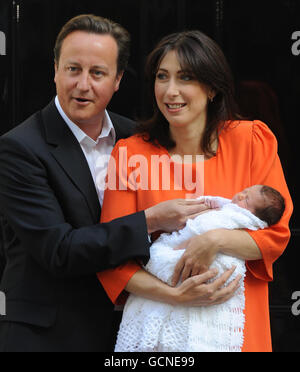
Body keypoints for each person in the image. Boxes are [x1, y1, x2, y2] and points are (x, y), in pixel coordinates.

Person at [0, 15, 223, 352]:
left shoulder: (136, 137)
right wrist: (151, 220)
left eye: (98, 73)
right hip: (49, 336)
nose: (83, 84)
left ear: (118, 79)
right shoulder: (18, 148)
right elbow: (58, 250)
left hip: (129, 328)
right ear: (55, 69)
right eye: (73, 69)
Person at [97, 30, 293, 352]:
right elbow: (111, 256)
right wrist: (177, 295)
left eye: (185, 77)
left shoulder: (251, 141)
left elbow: (276, 235)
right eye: (162, 77)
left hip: (239, 335)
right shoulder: (129, 154)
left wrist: (211, 240)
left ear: (212, 87)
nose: (170, 91)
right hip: (162, 342)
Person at [114, 185, 286, 352]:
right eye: (244, 192)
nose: (240, 195)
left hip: (202, 260)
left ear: (253, 214)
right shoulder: (229, 206)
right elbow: (214, 203)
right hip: (171, 272)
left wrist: (191, 242)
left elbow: (203, 229)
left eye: (247, 199)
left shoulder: (238, 217)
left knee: (161, 259)